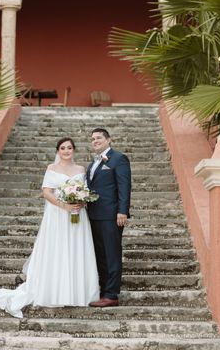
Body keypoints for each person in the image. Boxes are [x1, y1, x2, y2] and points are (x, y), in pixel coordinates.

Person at [0, 137, 99, 318]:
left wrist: (80, 201)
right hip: (57, 215)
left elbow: (85, 191)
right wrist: (64, 206)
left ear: (74, 150)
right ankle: (54, 291)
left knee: (76, 250)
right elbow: (47, 192)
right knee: (57, 249)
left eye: (69, 148)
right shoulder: (52, 168)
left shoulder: (81, 169)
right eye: (63, 148)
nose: (66, 151)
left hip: (77, 214)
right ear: (58, 151)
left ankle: (78, 293)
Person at [86, 127, 131, 308]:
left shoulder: (118, 159)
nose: (95, 141)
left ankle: (112, 294)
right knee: (100, 255)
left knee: (112, 254)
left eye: (99, 138)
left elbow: (124, 186)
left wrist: (123, 211)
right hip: (94, 215)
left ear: (108, 140)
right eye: (93, 139)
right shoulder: (93, 163)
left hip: (112, 215)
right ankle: (104, 291)